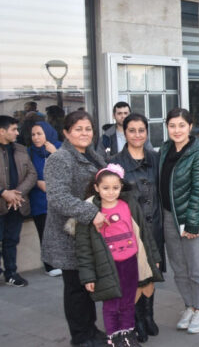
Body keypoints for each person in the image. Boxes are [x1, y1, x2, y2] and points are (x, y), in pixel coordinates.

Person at [76, 164, 163, 347]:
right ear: (96, 188)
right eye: (105, 188)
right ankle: (114, 338)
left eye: (115, 188)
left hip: (130, 261)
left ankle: (127, 335)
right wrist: (88, 276)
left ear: (121, 187)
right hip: (108, 266)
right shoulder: (90, 212)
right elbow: (84, 248)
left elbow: (144, 234)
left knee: (128, 301)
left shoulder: (128, 205)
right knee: (111, 304)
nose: (110, 192)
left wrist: (153, 258)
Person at [43, 110, 108, 346]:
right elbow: (58, 198)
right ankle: (80, 337)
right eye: (78, 129)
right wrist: (93, 213)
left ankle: (90, 330)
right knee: (76, 288)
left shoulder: (93, 155)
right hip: (69, 235)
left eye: (88, 128)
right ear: (66, 133)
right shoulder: (60, 159)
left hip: (88, 233)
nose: (84, 133)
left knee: (87, 284)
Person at [159, 108, 199, 334]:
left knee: (196, 268)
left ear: (190, 127)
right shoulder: (165, 148)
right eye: (172, 125)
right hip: (169, 216)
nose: (177, 130)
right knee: (179, 268)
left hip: (192, 218)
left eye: (181, 125)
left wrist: (191, 223)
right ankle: (190, 306)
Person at [110, 113, 164, 342]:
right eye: (132, 130)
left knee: (152, 272)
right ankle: (137, 319)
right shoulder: (115, 163)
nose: (137, 135)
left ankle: (149, 315)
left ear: (147, 132)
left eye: (141, 130)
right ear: (124, 132)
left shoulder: (155, 158)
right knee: (133, 277)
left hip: (156, 226)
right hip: (131, 229)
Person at [0, 115, 37, 287]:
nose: (17, 132)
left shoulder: (21, 149)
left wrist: (17, 193)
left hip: (17, 203)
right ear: (2, 131)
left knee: (11, 240)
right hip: (2, 202)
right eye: (13, 129)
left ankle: (11, 273)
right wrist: (3, 193)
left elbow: (32, 174)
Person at [27, 121, 63, 277]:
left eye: (39, 133)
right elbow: (28, 173)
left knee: (62, 232)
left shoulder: (60, 147)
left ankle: (64, 262)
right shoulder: (29, 152)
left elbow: (67, 169)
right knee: (45, 232)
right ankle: (49, 265)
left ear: (48, 133)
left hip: (59, 199)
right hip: (39, 200)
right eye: (33, 134)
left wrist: (54, 153)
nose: (36, 138)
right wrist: (37, 182)